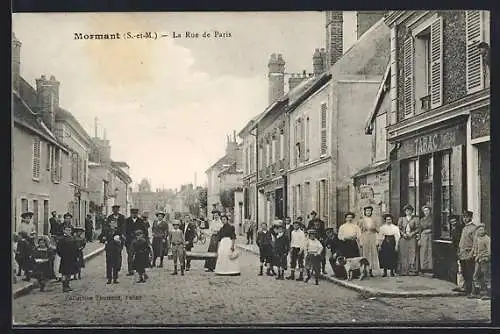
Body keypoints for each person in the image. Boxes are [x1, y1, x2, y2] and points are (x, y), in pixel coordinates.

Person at [99, 205, 126, 284]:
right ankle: (109, 278)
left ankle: (115, 277)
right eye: (114, 209)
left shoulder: (122, 218)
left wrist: (121, 237)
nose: (115, 211)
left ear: (118, 210)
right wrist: (104, 237)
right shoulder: (109, 218)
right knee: (109, 261)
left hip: (118, 243)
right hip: (110, 243)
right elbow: (104, 229)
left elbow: (124, 229)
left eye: (117, 209)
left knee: (117, 260)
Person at [457, 210, 478, 296]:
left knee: (470, 272)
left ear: (471, 218)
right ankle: (466, 288)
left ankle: (470, 290)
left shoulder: (474, 228)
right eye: (464, 217)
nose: (465, 219)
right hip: (462, 253)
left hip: (469, 253)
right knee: (464, 271)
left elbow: (475, 242)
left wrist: (472, 253)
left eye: (467, 217)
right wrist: (459, 250)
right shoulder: (464, 228)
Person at [397, 204, 419, 276]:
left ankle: (412, 270)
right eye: (407, 211)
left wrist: (412, 234)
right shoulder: (402, 219)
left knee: (412, 252)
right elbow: (399, 228)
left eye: (409, 211)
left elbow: (417, 229)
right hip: (404, 238)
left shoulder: (415, 219)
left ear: (412, 211)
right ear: (405, 212)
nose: (408, 212)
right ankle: (403, 270)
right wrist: (403, 234)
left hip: (412, 237)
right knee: (403, 253)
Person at [125, 208, 148, 276]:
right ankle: (130, 270)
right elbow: (124, 230)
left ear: (137, 214)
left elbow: (145, 231)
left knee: (140, 256)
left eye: (135, 213)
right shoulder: (127, 221)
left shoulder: (140, 221)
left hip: (139, 242)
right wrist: (126, 237)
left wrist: (143, 238)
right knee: (130, 255)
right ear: (131, 213)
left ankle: (141, 270)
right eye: (133, 213)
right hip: (129, 241)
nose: (134, 215)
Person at [469, 223, 490, 299]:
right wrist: (471, 255)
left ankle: (488, 294)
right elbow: (474, 248)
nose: (481, 231)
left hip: (484, 259)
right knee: (475, 276)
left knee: (486, 276)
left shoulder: (487, 239)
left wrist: (486, 257)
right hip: (477, 259)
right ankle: (476, 292)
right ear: (477, 231)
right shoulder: (476, 238)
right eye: (479, 229)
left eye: (482, 229)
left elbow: (489, 250)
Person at [358, 206, 380, 277]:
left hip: (372, 238)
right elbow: (359, 232)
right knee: (365, 254)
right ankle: (364, 271)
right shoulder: (361, 221)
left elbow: (378, 230)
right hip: (364, 237)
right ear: (365, 212)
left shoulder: (374, 220)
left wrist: (377, 239)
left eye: (370, 211)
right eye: (367, 211)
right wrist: (360, 241)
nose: (368, 212)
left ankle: (370, 270)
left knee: (372, 254)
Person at [57, 225, 79, 292]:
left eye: (69, 230)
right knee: (64, 273)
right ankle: (64, 286)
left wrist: (76, 256)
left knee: (69, 272)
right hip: (64, 258)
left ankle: (68, 285)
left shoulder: (73, 238)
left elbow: (76, 248)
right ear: (64, 231)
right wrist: (62, 255)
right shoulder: (61, 239)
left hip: (71, 258)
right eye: (66, 230)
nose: (68, 231)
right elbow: (58, 249)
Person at [450, 215, 466, 292]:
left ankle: (462, 285)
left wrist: (459, 250)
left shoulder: (459, 228)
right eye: (451, 221)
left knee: (461, 268)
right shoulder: (454, 228)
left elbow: (459, 240)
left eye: (454, 221)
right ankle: (460, 284)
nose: (453, 223)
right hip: (456, 250)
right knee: (458, 267)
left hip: (460, 249)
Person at [418, 205, 433, 274]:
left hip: (430, 236)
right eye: (425, 211)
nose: (426, 212)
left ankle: (430, 268)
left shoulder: (432, 219)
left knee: (429, 251)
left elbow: (435, 227)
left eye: (427, 210)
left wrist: (430, 230)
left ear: (430, 211)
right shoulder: (421, 220)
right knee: (423, 251)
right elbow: (420, 230)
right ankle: (423, 267)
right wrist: (419, 239)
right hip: (423, 236)